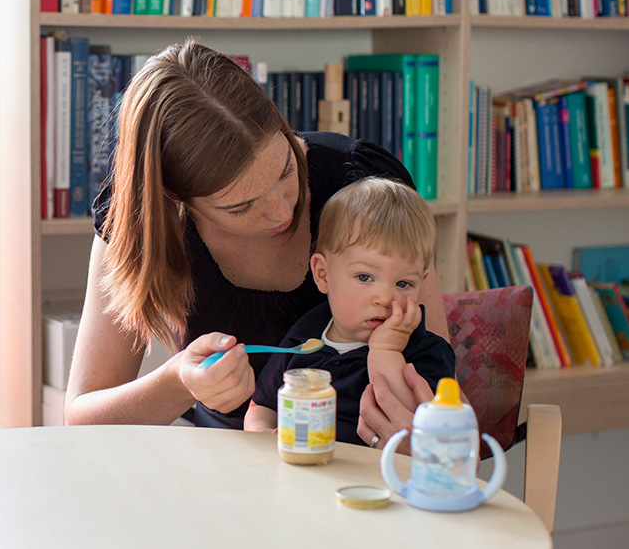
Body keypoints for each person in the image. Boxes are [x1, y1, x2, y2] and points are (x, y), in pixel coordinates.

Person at [63, 38, 449, 451]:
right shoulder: (138, 221)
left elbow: (444, 381)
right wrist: (179, 382)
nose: (282, 211)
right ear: (177, 197)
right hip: (228, 464)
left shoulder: (364, 186)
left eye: (285, 170)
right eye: (241, 206)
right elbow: (82, 420)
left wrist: (427, 435)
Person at [242, 177, 456, 445]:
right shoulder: (306, 335)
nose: (385, 298)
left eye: (403, 284)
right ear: (323, 274)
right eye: (365, 277)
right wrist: (262, 434)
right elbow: (263, 406)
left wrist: (386, 351)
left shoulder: (425, 350)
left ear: (421, 284)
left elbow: (413, 429)